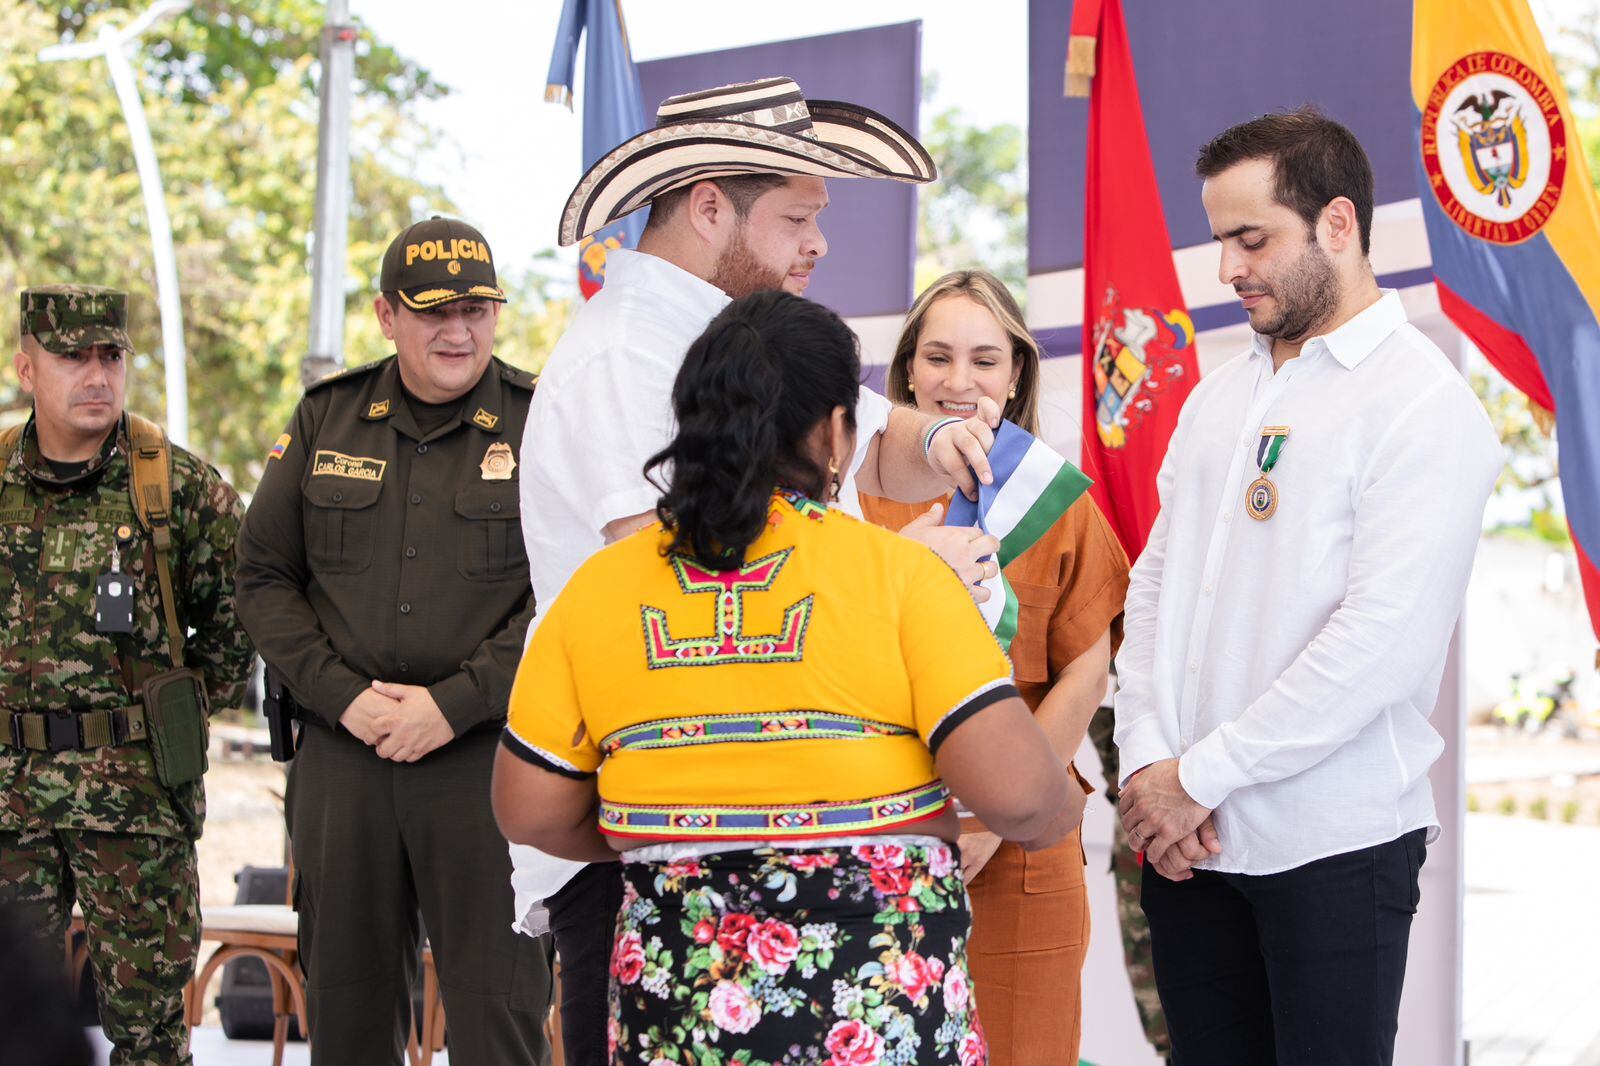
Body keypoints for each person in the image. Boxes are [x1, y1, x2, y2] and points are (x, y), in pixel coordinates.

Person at [517, 76, 1010, 1062]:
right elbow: (656, 577)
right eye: (794, 218)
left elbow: (872, 442)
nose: (815, 245)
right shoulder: (624, 359)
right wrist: (898, 572)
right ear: (708, 206)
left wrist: (943, 437)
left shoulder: (732, 338)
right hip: (662, 837)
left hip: (775, 829)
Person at [493, 290, 1082, 1065]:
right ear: (836, 433)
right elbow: (1020, 797)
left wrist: (682, 845)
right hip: (879, 1021)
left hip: (679, 1022)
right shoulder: (901, 578)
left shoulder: (598, 591)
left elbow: (528, 810)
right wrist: (1057, 806)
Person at [1114, 108, 1503, 1065]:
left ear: (1337, 224)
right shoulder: (1219, 394)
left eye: (1253, 239)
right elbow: (1157, 589)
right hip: (1189, 848)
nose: (1229, 269)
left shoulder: (1423, 405)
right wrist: (1146, 765)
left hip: (1333, 849)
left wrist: (1190, 780)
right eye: (1220, 242)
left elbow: (1381, 645)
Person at [236, 218, 553, 1064]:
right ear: (386, 314)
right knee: (346, 1011)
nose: (459, 331)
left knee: (500, 1013)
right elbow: (263, 577)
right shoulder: (326, 420)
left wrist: (454, 705)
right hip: (346, 761)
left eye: (478, 310)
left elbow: (571, 593)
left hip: (490, 762)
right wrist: (345, 697)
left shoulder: (542, 422)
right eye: (433, 311)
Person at [860, 270, 1130, 1064]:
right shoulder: (854, 497)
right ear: (908, 368)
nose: (958, 380)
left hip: (1022, 852)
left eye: (984, 359)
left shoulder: (1060, 502)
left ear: (1016, 374)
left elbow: (1087, 665)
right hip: (884, 837)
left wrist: (1000, 810)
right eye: (937, 357)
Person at [0, 285, 253, 1064]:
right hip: (8, 802)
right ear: (26, 367)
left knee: (147, 1038)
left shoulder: (176, 487)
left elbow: (240, 625)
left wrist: (169, 715)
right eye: (72, 357)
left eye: (110, 356)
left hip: (136, 806)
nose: (97, 376)